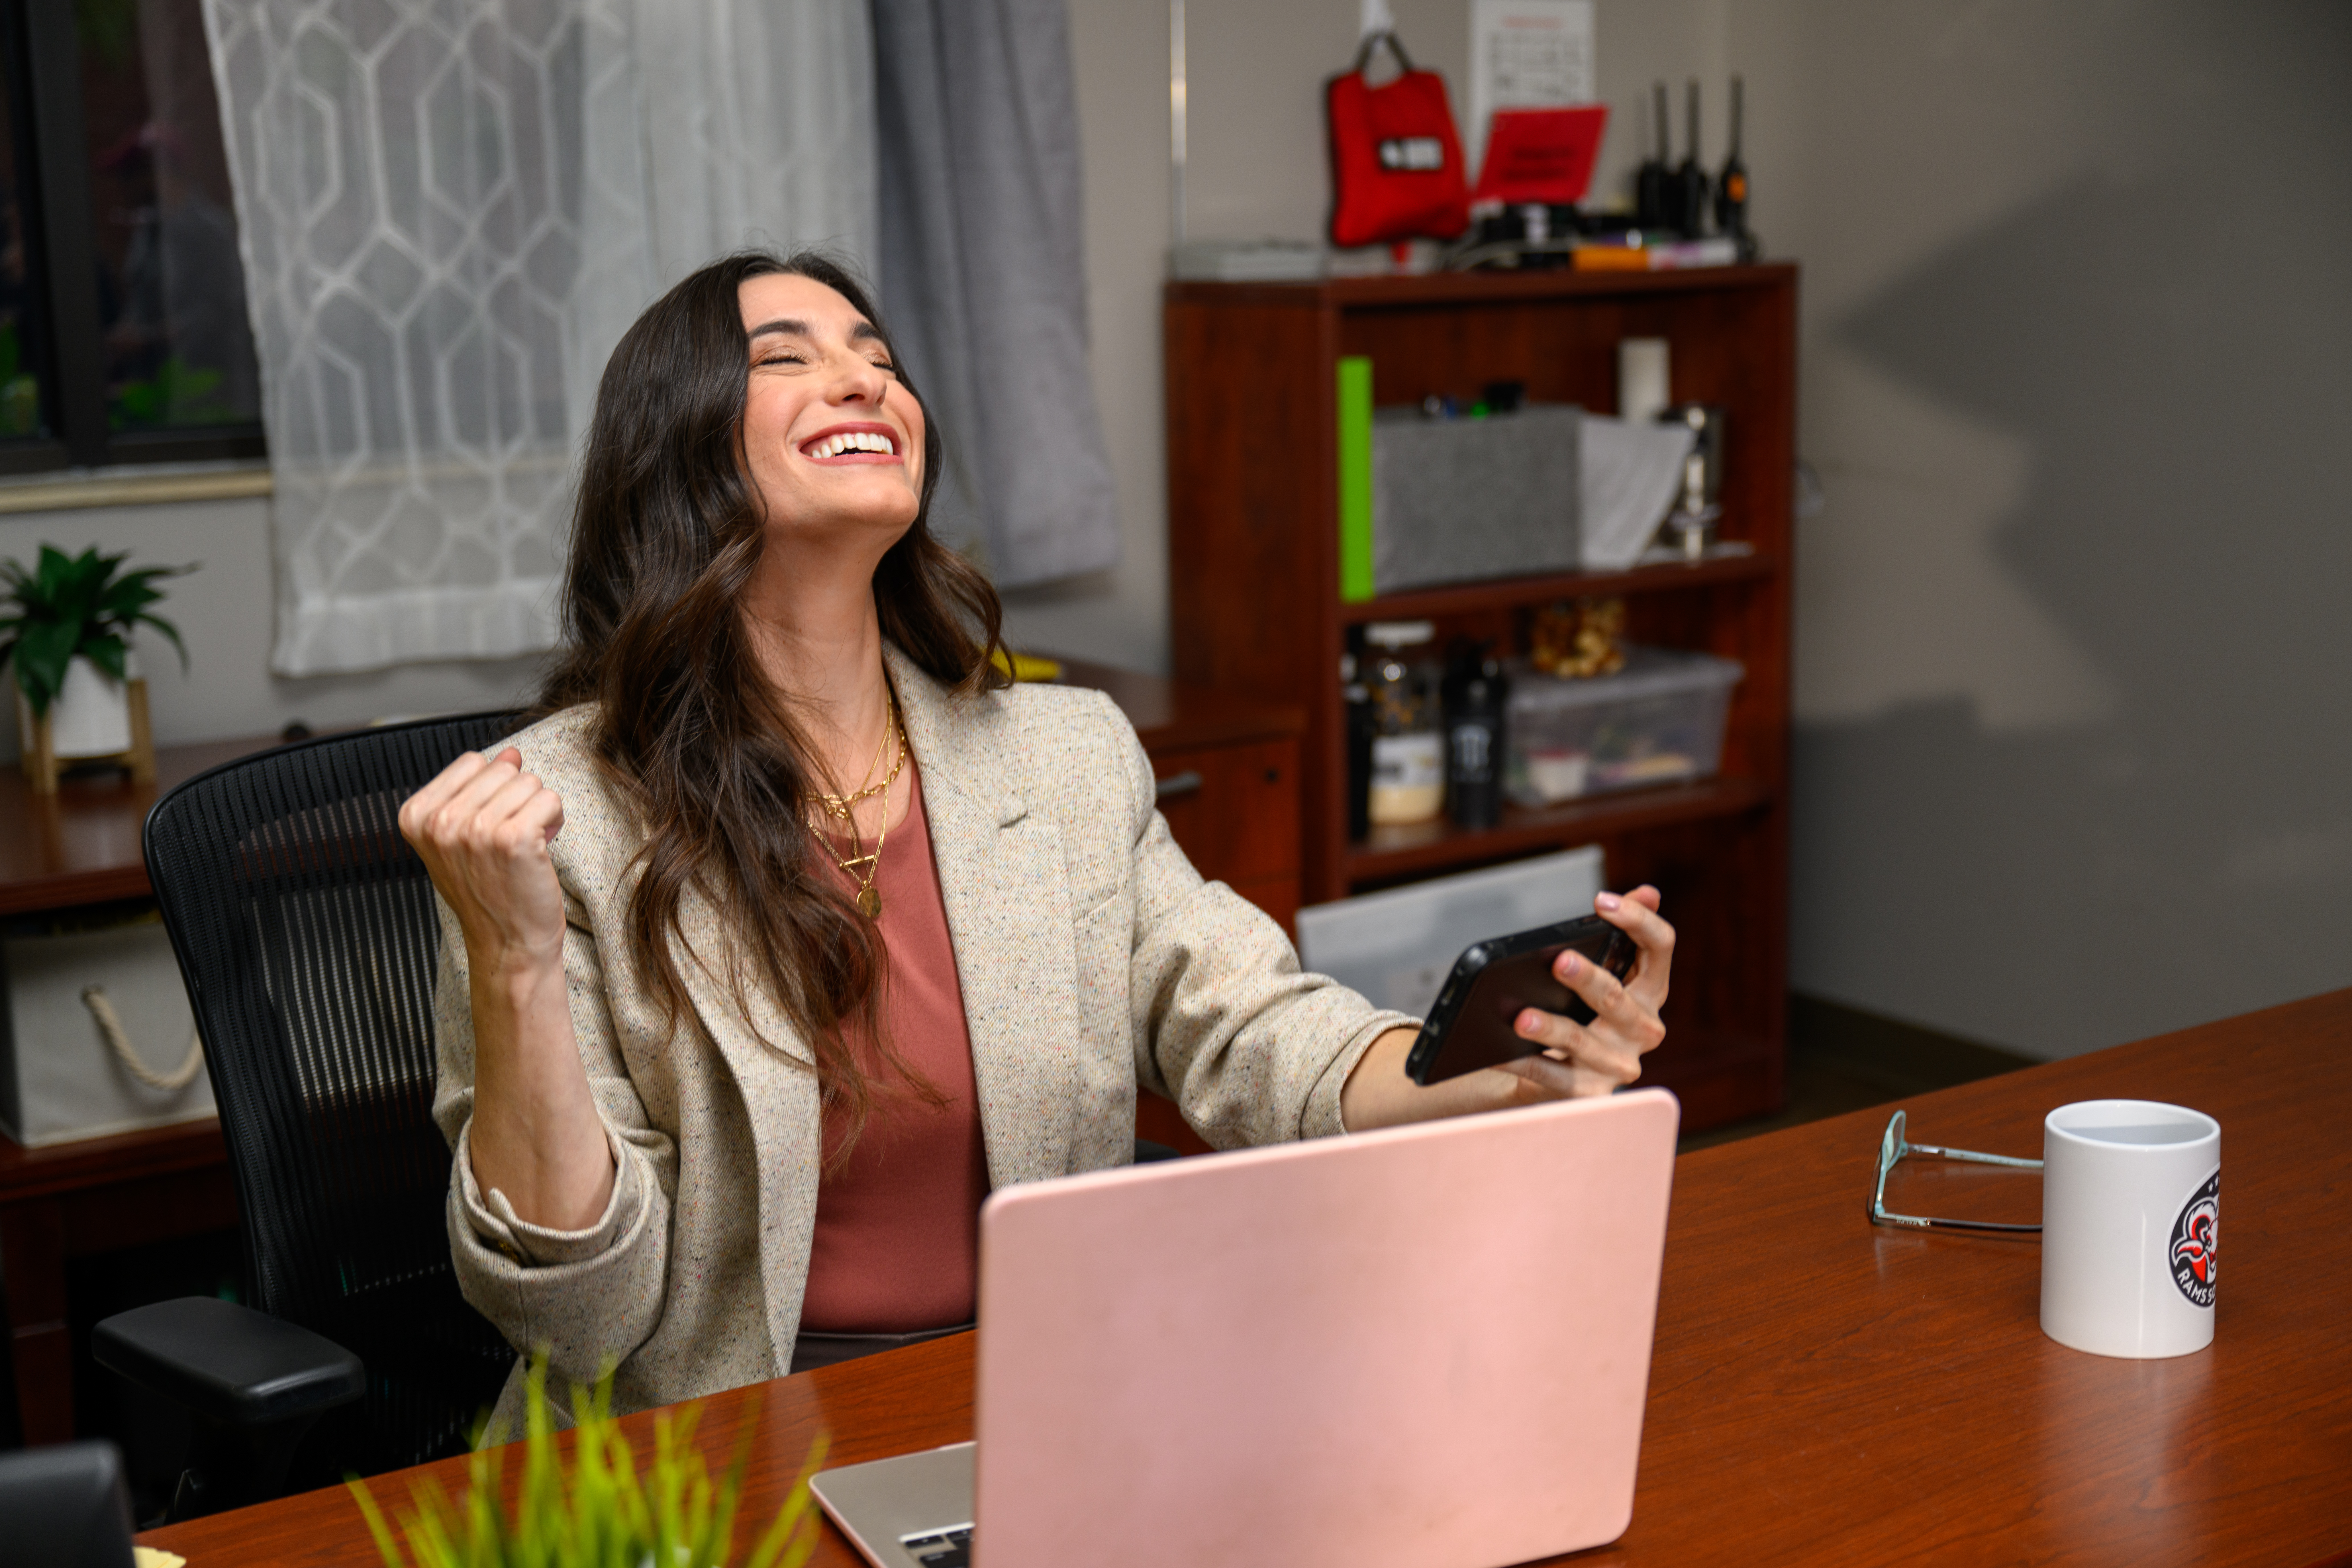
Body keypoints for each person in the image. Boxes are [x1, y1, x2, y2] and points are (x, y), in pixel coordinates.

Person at [399, 251, 1675, 1426]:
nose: (863, 375)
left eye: (878, 356)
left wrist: (1493, 1064)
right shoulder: (554, 816)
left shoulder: (1063, 756)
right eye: (787, 356)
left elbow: (1247, 1021)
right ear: (675, 450)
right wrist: (511, 960)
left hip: (1042, 1398)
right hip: (712, 1445)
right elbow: (578, 1319)